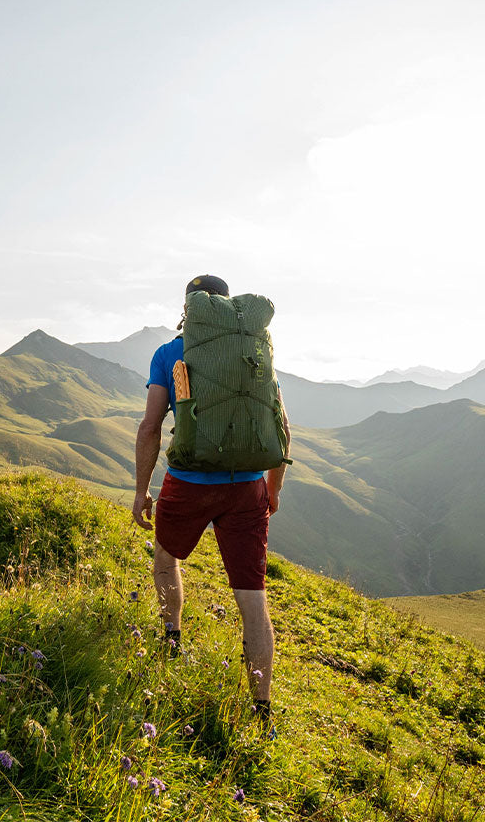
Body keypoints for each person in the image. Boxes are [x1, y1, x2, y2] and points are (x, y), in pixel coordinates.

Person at [131, 275, 290, 721]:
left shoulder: (169, 354)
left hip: (189, 483)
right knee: (252, 598)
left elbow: (150, 427)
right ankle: (262, 709)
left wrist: (143, 491)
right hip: (248, 487)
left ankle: (172, 637)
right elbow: (280, 429)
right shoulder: (253, 350)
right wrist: (272, 491)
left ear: (191, 308)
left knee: (165, 558)